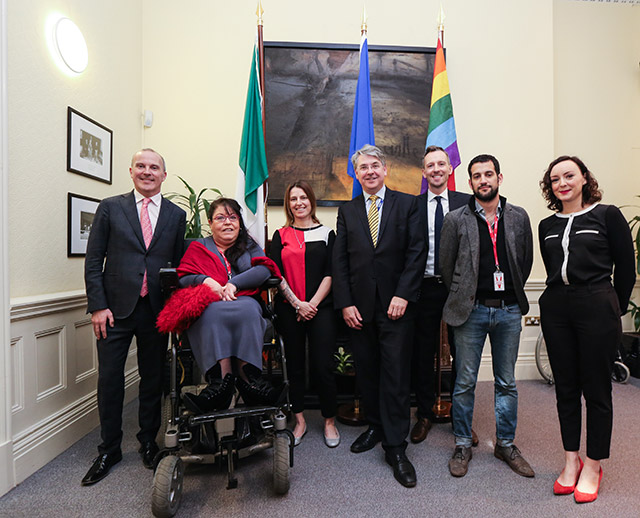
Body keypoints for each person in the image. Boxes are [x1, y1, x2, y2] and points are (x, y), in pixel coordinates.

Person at [82, 149, 186, 485]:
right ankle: (109, 449)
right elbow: (94, 259)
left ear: (163, 175)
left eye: (154, 167)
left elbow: (177, 268)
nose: (147, 171)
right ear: (130, 171)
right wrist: (98, 306)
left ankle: (147, 442)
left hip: (155, 310)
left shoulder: (176, 214)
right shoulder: (111, 207)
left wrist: (177, 310)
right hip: (114, 310)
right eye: (141, 166)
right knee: (110, 380)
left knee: (152, 380)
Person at [538, 156, 635, 503]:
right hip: (556, 307)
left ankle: (593, 464)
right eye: (554, 179)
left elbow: (626, 269)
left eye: (568, 175)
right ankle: (570, 461)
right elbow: (551, 268)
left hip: (597, 304)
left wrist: (612, 308)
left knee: (596, 390)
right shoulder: (546, 224)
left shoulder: (607, 215)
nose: (561, 183)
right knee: (565, 387)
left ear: (583, 179)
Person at [333, 144, 426, 488]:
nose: (369, 172)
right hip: (359, 309)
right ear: (356, 175)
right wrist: (345, 303)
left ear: (385, 170)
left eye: (375, 166)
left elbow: (417, 253)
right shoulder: (348, 210)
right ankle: (375, 425)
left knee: (396, 375)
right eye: (363, 168)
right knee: (368, 372)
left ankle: (396, 447)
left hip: (396, 307)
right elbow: (340, 261)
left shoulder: (407, 204)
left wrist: (403, 294)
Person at [439, 154, 534, 478]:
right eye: (477, 176)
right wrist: (466, 292)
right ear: (469, 183)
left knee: (507, 382)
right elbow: (446, 265)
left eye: (488, 174)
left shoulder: (519, 217)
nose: (483, 180)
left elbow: (525, 261)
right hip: (471, 310)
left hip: (508, 311)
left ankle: (505, 444)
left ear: (499, 178)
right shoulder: (455, 219)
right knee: (464, 382)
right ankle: (463, 443)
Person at [167, 198, 284, 414]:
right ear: (210, 223)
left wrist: (234, 284)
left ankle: (250, 379)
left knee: (249, 309)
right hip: (210, 302)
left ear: (239, 222)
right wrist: (204, 280)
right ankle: (219, 382)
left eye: (233, 217)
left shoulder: (249, 245)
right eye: (220, 218)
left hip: (244, 300)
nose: (227, 222)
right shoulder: (198, 247)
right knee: (210, 313)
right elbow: (183, 277)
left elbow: (265, 269)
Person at [270, 181, 339, 448]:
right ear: (288, 204)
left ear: (311, 201)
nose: (298, 203)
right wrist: (298, 303)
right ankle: (299, 420)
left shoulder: (327, 234)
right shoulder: (280, 234)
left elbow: (331, 273)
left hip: (321, 308)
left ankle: (329, 421)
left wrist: (311, 304)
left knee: (323, 365)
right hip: (290, 308)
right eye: (293, 199)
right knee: (295, 365)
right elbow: (275, 275)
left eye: (303, 198)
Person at [411, 146, 470, 444]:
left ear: (450, 169)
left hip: (459, 289)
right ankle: (424, 414)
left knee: (462, 355)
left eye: (441, 164)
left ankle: (462, 418)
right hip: (424, 288)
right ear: (424, 172)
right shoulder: (412, 206)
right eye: (429, 165)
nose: (435, 169)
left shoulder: (467, 203)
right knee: (423, 355)